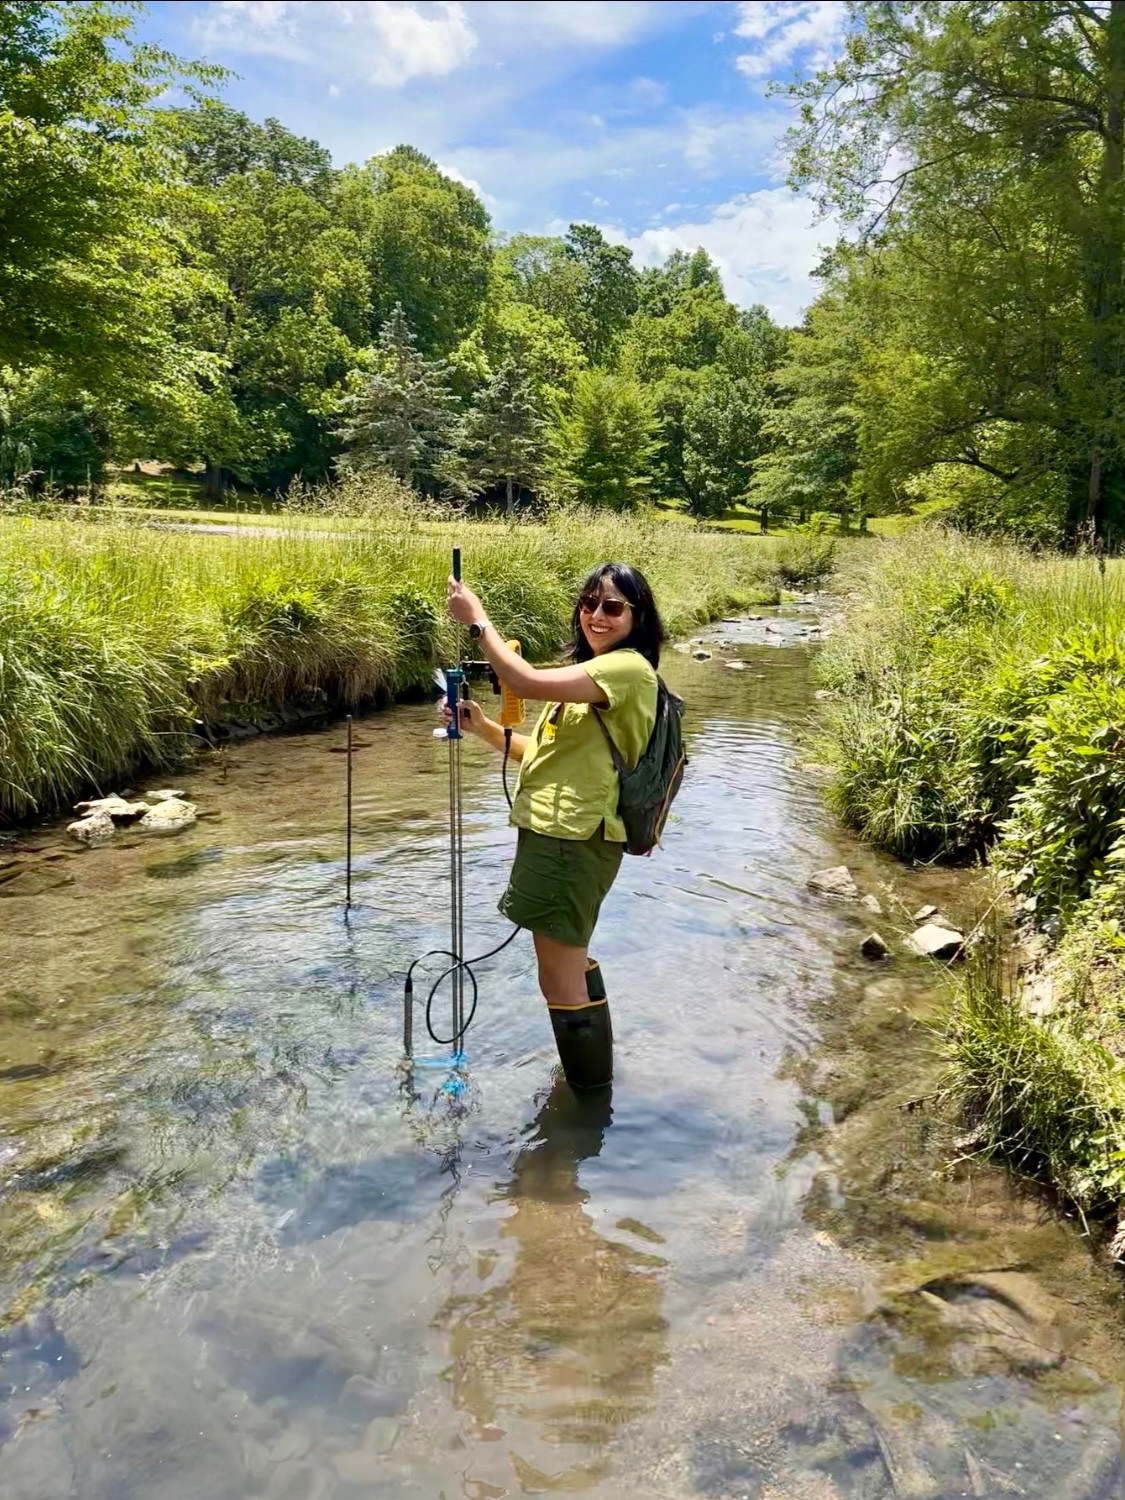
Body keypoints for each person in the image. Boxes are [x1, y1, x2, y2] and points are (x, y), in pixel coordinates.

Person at [444, 562, 662, 1089]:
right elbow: (540, 755)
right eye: (589, 604)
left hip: (572, 838)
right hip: (557, 834)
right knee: (569, 961)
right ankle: (592, 1085)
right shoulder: (592, 674)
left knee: (556, 974)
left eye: (613, 607)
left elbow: (523, 680)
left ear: (639, 617)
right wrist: (483, 729)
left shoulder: (628, 670)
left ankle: (585, 1106)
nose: (597, 616)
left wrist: (477, 622)